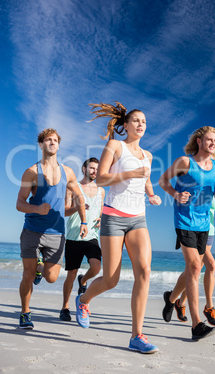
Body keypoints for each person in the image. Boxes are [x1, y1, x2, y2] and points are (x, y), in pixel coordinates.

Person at [75, 102, 162, 354]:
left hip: (138, 218)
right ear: (125, 125)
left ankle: (137, 335)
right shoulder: (115, 146)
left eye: (144, 121)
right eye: (136, 120)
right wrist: (129, 173)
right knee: (111, 279)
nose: (141, 124)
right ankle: (83, 300)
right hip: (113, 217)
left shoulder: (148, 156)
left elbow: (144, 180)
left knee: (144, 272)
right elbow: (101, 178)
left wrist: (153, 194)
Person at [159, 126, 215, 341]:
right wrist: (175, 194)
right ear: (199, 141)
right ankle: (197, 323)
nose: (213, 143)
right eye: (209, 139)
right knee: (196, 266)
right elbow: (163, 181)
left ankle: (171, 299)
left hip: (204, 223)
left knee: (192, 268)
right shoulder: (185, 162)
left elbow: (214, 195)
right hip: (184, 220)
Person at [16, 128, 88, 329]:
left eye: (55, 140)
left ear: (59, 144)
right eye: (48, 140)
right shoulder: (32, 172)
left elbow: (79, 196)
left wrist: (83, 220)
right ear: (41, 144)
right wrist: (37, 208)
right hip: (32, 231)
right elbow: (20, 203)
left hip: (56, 234)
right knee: (27, 276)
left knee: (51, 277)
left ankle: (42, 267)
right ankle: (25, 312)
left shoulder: (68, 172)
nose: (52, 143)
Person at [171, 196, 215, 326]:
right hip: (195, 232)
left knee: (193, 271)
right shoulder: (199, 182)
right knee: (210, 265)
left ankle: (178, 302)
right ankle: (209, 307)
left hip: (210, 234)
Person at [60, 157, 105, 321]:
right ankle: (65, 307)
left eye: (97, 169)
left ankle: (84, 280)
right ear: (84, 169)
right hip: (74, 235)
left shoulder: (101, 190)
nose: (95, 171)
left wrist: (101, 219)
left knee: (96, 268)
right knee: (71, 273)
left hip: (92, 236)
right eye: (92, 168)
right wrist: (78, 207)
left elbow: (100, 212)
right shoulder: (74, 187)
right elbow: (65, 211)